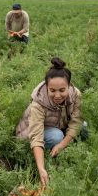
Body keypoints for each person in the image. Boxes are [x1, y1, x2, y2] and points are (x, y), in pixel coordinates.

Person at [16, 57, 83, 186]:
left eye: (62, 90)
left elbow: (76, 121)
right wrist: (41, 169)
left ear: (68, 86)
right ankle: (38, 157)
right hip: (29, 134)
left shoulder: (75, 95)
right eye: (52, 91)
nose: (57, 95)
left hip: (56, 125)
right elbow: (36, 136)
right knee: (56, 136)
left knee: (83, 127)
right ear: (47, 87)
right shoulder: (39, 104)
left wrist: (62, 144)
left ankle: (59, 147)